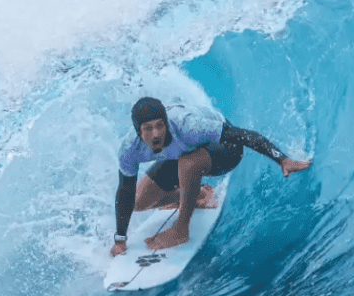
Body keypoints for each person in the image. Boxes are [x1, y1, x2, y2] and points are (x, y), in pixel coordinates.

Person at [111, 97, 312, 257]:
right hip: (181, 155)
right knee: (137, 202)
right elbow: (125, 191)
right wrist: (120, 240)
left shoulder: (188, 127)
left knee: (188, 163)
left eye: (160, 125)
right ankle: (198, 194)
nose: (156, 134)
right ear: (138, 132)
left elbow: (242, 136)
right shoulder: (129, 149)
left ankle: (181, 230)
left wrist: (282, 160)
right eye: (148, 128)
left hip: (225, 151)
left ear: (166, 123)